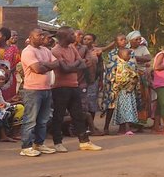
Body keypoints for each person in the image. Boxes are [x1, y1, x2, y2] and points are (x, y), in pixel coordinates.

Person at [49, 28, 103, 152]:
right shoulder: (55, 50)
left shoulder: (72, 48)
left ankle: (84, 141)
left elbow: (83, 65)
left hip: (74, 85)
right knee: (59, 115)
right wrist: (77, 64)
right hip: (60, 87)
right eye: (71, 34)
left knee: (78, 115)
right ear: (64, 36)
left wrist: (73, 65)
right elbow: (66, 69)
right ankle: (58, 142)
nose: (74, 36)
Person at [17, 29, 59, 157]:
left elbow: (57, 63)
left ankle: (39, 144)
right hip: (33, 90)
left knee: (43, 120)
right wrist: (47, 65)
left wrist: (44, 64)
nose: (42, 37)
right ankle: (26, 146)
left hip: (46, 88)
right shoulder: (28, 51)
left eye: (42, 35)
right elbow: (37, 69)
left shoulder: (45, 50)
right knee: (30, 119)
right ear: (30, 37)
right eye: (38, 35)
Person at [111, 48, 141, 135]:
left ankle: (122, 129)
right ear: (122, 55)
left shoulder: (124, 65)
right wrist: (133, 79)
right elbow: (122, 79)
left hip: (126, 91)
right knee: (126, 109)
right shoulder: (122, 66)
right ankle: (127, 128)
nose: (129, 56)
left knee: (123, 109)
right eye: (128, 55)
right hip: (125, 91)